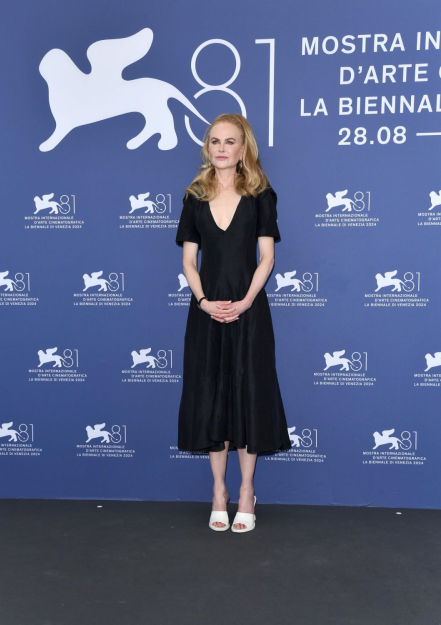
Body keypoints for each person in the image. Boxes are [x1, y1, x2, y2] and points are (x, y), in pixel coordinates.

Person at [175, 113, 292, 533]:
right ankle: (218, 492)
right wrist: (205, 302)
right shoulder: (194, 196)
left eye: (230, 141)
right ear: (207, 147)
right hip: (206, 314)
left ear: (244, 148)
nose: (221, 148)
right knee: (213, 398)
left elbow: (267, 259)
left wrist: (243, 302)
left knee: (247, 396)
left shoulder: (261, 195)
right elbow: (189, 262)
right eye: (214, 141)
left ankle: (246, 492)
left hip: (249, 311)